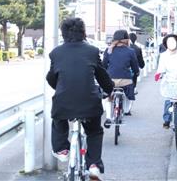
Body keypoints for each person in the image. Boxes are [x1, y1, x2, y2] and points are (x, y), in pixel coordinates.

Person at [46, 17, 114, 180]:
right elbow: (102, 76)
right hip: (89, 103)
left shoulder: (56, 53)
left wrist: (61, 87)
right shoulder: (91, 51)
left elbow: (51, 78)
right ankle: (93, 165)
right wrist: (109, 89)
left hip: (63, 102)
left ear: (63, 33)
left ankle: (62, 149)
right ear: (83, 32)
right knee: (94, 132)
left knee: (57, 119)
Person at [102, 29, 139, 123]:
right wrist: (136, 72)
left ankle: (109, 117)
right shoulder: (130, 51)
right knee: (127, 93)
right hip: (125, 81)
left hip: (111, 80)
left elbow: (103, 65)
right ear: (127, 39)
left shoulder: (108, 50)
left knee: (109, 97)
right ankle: (126, 110)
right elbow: (135, 67)